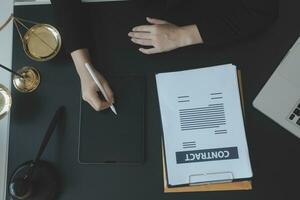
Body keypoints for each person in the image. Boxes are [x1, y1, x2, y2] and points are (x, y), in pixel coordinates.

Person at [51, 0, 278, 111]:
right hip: (132, 22)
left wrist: (183, 35)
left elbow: (262, 9)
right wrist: (84, 69)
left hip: (215, 20)